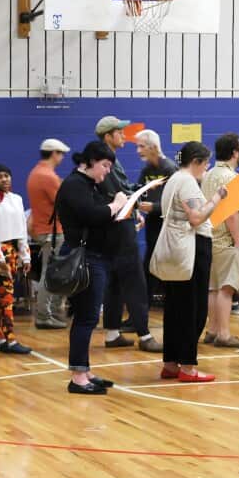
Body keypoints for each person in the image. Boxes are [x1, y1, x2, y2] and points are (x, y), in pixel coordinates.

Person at [56, 141, 131, 394]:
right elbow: (93, 215)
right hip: (86, 258)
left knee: (87, 316)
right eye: (105, 165)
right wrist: (117, 204)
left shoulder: (88, 185)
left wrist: (121, 214)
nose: (107, 171)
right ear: (90, 161)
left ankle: (84, 370)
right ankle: (78, 376)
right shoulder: (75, 185)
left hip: (95, 256)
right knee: (86, 317)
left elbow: (100, 216)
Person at [158, 141, 229, 383]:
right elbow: (197, 217)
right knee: (193, 309)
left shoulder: (173, 180)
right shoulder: (187, 181)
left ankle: (170, 362)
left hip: (176, 248)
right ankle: (187, 366)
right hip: (192, 247)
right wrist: (218, 197)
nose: (206, 168)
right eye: (205, 163)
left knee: (175, 307)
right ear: (196, 161)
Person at [95, 115, 162, 352]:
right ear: (108, 136)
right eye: (119, 132)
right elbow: (121, 193)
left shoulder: (106, 159)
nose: (124, 135)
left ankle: (113, 333)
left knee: (114, 283)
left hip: (111, 229)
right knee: (135, 282)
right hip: (120, 231)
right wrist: (144, 192)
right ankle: (144, 335)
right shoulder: (107, 161)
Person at [201, 133, 239, 348]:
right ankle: (223, 334)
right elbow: (233, 214)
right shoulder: (233, 178)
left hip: (210, 237)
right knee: (227, 288)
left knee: (213, 288)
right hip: (227, 240)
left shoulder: (209, 174)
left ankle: (211, 331)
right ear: (234, 152)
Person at [0, 164, 33, 354]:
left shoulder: (18, 199)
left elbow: (22, 229)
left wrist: (25, 256)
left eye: (6, 175)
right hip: (1, 251)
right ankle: (10, 339)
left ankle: (0, 338)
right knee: (7, 296)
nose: (4, 179)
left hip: (14, 250)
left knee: (5, 297)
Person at [27, 138, 71, 329]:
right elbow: (64, 201)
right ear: (55, 153)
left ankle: (50, 312)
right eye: (61, 154)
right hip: (53, 231)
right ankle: (44, 315)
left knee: (51, 272)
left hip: (44, 230)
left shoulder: (36, 173)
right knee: (50, 273)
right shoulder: (47, 176)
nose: (62, 157)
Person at [134, 129, 178, 303]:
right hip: (152, 226)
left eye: (141, 146)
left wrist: (154, 207)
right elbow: (138, 192)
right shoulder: (146, 171)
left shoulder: (170, 169)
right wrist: (138, 207)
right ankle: (144, 307)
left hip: (167, 227)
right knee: (149, 267)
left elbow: (177, 203)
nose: (138, 151)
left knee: (163, 267)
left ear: (153, 147)